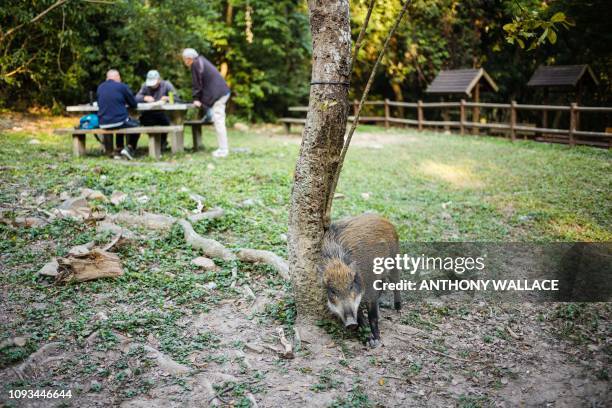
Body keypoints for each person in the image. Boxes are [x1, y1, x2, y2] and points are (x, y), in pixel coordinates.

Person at [182, 48, 231, 158]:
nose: (184, 62)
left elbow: (197, 83)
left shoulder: (195, 64)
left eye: (184, 59)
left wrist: (196, 99)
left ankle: (223, 150)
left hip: (219, 94)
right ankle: (223, 148)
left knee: (219, 121)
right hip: (221, 93)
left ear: (189, 59)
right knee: (216, 119)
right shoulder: (200, 61)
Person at [96, 69, 139, 159]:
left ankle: (119, 149)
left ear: (107, 78)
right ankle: (129, 149)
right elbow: (134, 104)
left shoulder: (100, 87)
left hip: (102, 123)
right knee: (136, 125)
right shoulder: (121, 86)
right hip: (118, 121)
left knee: (121, 121)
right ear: (117, 77)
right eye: (119, 76)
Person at [135, 70, 178, 151]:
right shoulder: (145, 86)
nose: (152, 85)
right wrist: (144, 98)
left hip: (164, 113)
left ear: (159, 80)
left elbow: (177, 98)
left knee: (165, 121)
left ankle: (163, 142)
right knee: (142, 121)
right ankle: (155, 142)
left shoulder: (166, 85)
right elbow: (136, 97)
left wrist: (168, 98)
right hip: (148, 113)